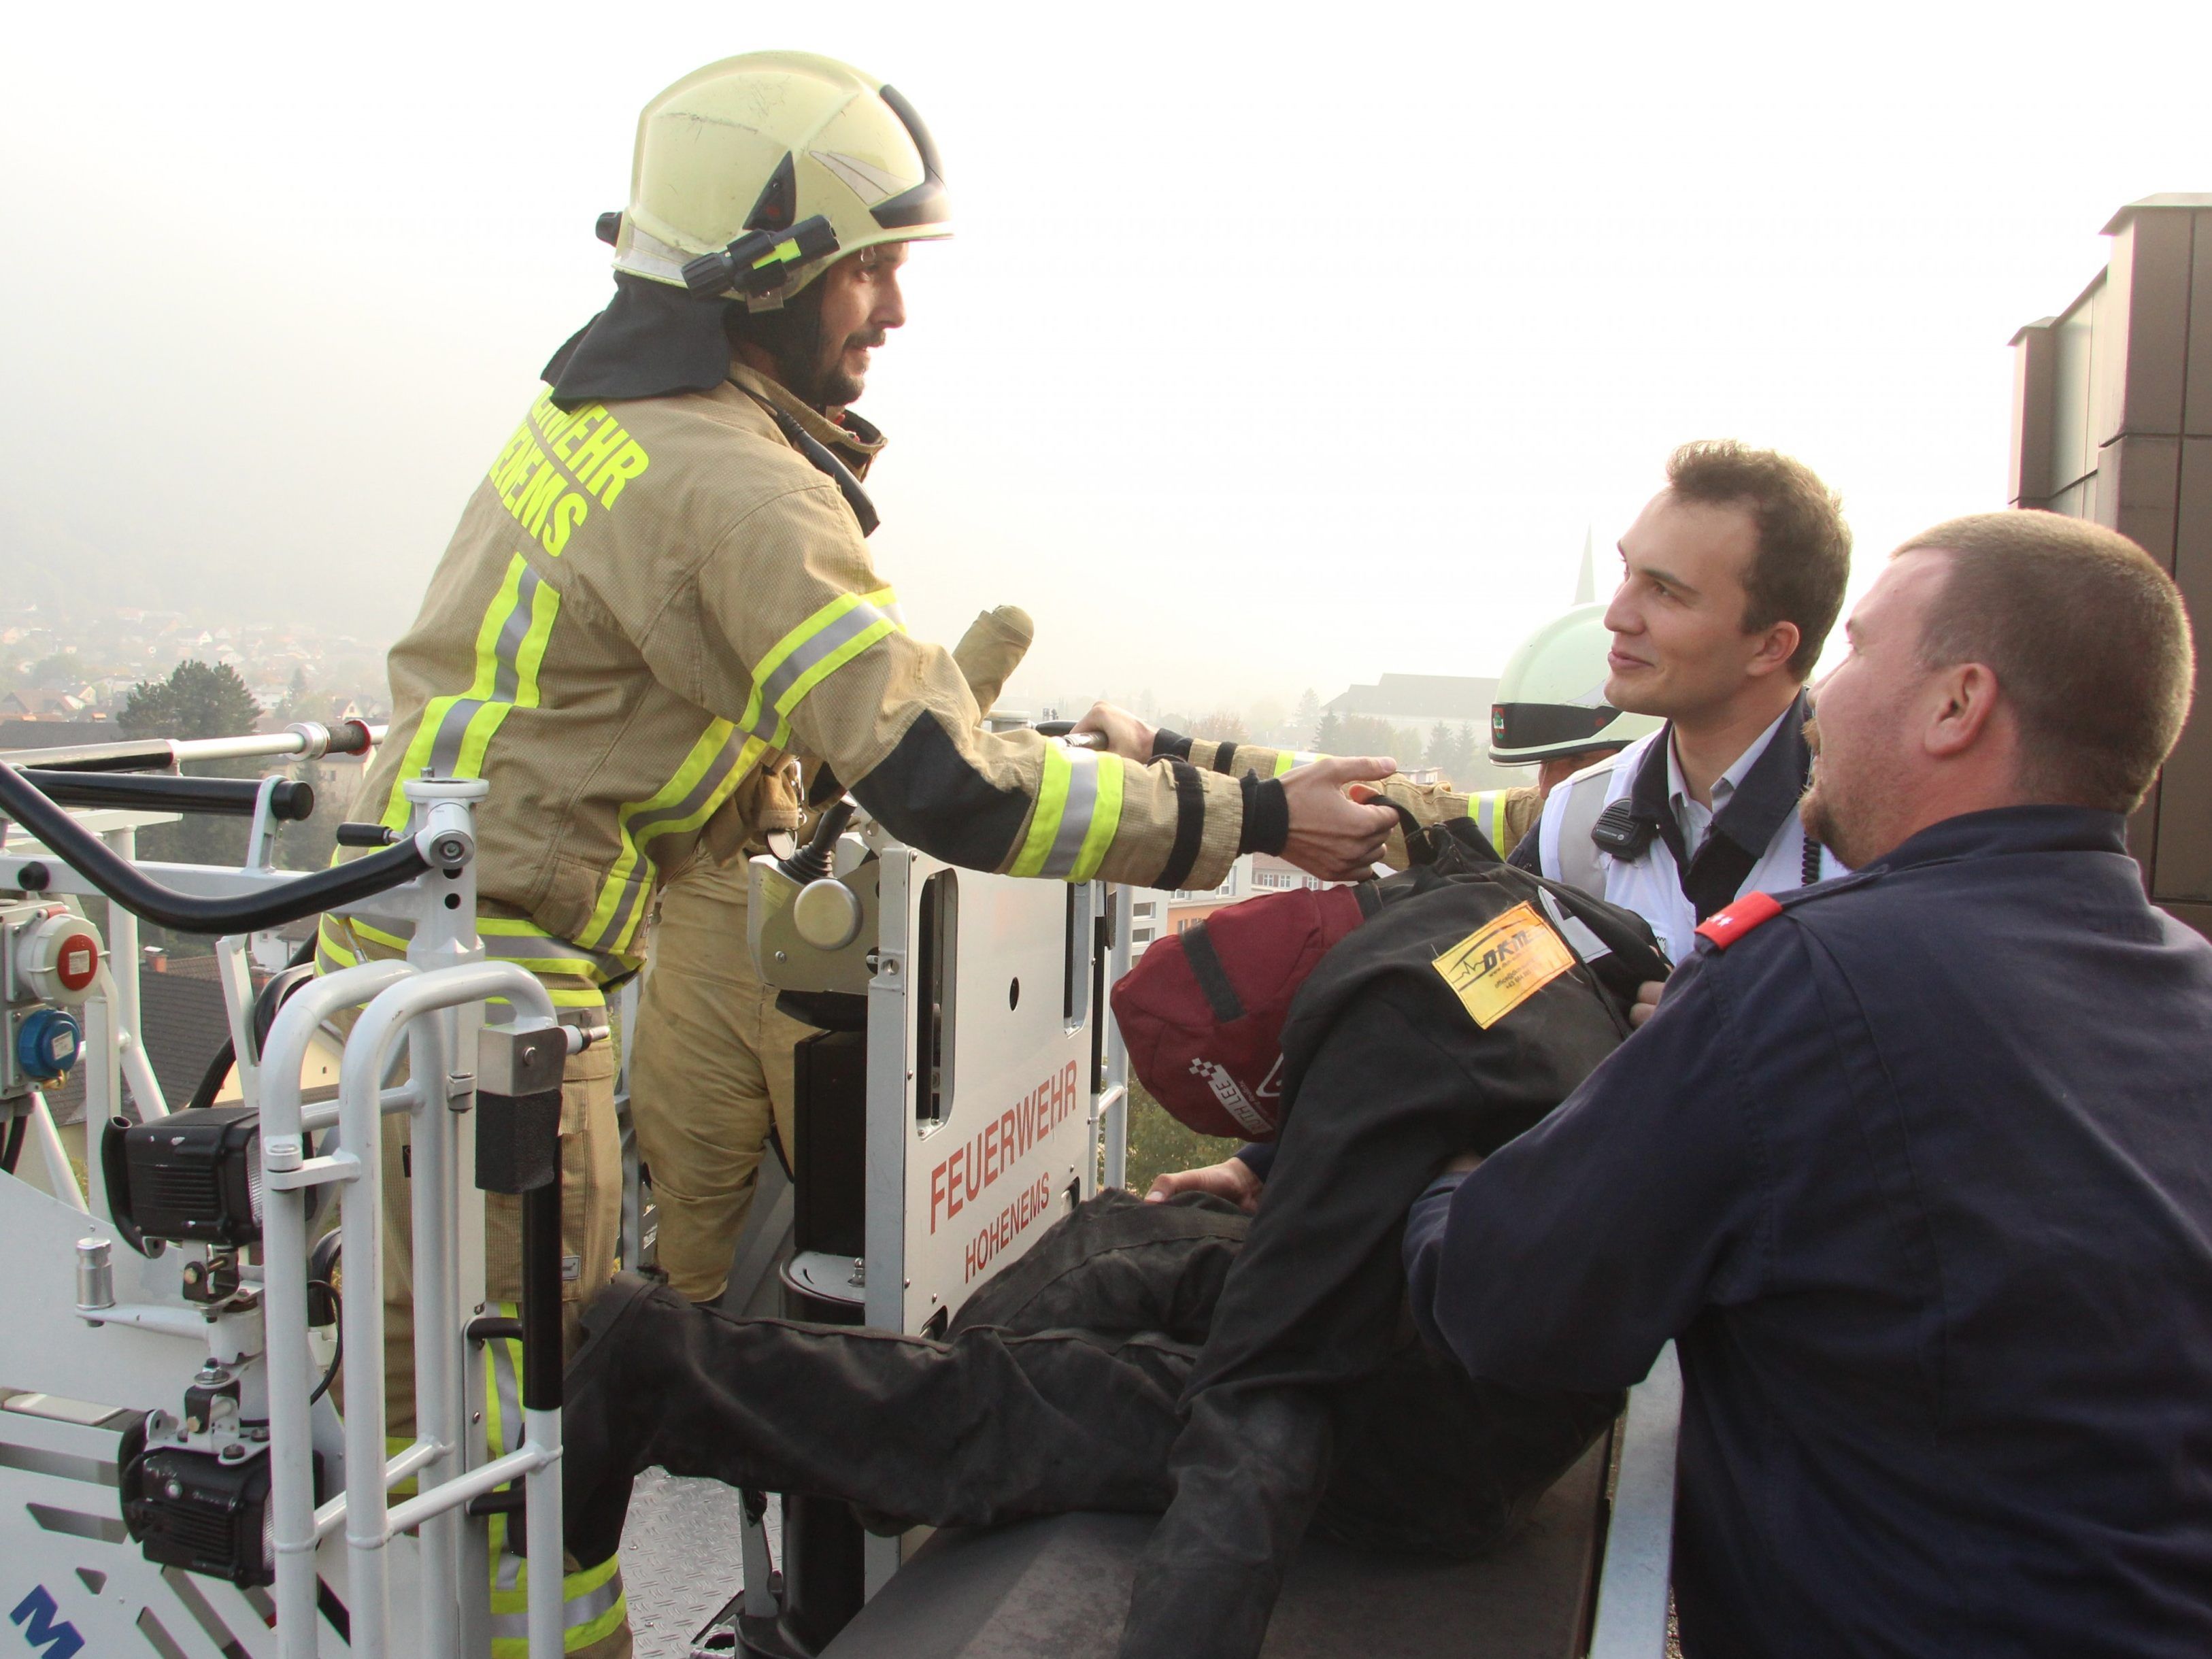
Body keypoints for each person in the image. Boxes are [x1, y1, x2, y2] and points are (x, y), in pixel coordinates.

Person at [318, 51, 1396, 1654]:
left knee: (466, 1418)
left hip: (417, 979)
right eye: (867, 265)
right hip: (492, 1027)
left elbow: (627, 709)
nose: (889, 309)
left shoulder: (606, 417)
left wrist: (777, 782)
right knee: (513, 1464)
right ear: (763, 269)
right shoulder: (733, 486)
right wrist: (1257, 818)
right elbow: (953, 792)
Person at [1405, 511, 2212, 1658]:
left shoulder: (1804, 975)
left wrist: (1446, 1176)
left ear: (1957, 702)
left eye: (1860, 647)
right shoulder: (2190, 992)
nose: (1819, 695)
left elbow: (1509, 1303)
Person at [1515, 441, 1853, 970]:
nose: (1617, 615)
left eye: (1665, 592)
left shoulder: (1878, 829)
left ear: (1770, 646)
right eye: (1628, 572)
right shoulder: (1574, 816)